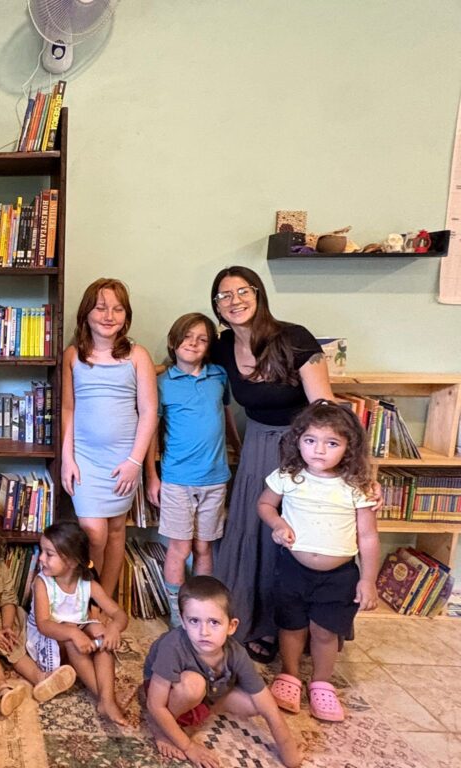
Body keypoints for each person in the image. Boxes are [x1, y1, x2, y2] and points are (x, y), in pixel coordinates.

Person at [207, 266, 334, 661]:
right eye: (224, 295)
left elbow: (324, 407)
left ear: (258, 294)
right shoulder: (223, 346)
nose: (235, 301)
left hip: (301, 448)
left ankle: (297, 628)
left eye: (243, 291)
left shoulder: (294, 338)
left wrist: (336, 466)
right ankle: (257, 623)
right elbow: (185, 357)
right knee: (255, 535)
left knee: (297, 535)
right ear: (217, 307)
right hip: (257, 448)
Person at [259, 401, 379, 722]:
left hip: (339, 576)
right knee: (291, 626)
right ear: (298, 440)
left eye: (332, 443)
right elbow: (265, 505)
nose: (319, 450)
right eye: (310, 440)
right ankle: (289, 675)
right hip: (292, 569)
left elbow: (368, 536)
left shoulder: (357, 486)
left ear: (349, 447)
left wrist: (368, 580)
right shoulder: (288, 476)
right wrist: (278, 524)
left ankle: (322, 684)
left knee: (325, 632)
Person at [60, 278, 157, 605]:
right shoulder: (73, 356)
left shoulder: (137, 355)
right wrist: (67, 459)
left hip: (123, 460)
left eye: (117, 309)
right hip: (85, 458)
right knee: (94, 533)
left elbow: (149, 412)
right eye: (101, 308)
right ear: (86, 313)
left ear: (126, 315)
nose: (109, 315)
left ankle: (106, 602)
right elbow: (67, 409)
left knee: (116, 531)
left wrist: (134, 462)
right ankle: (90, 599)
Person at [142, 576, 302, 768]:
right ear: (183, 622)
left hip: (211, 690)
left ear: (231, 626)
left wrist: (288, 749)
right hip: (165, 691)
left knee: (256, 704)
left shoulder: (236, 653)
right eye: (194, 621)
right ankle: (161, 728)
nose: (204, 632)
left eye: (214, 622)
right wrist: (188, 746)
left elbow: (268, 707)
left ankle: (199, 711)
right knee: (193, 686)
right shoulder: (173, 647)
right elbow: (155, 704)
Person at [146, 313, 240, 627]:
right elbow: (151, 431)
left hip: (215, 478)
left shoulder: (219, 376)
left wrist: (238, 448)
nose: (194, 344)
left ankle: (202, 611)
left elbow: (226, 415)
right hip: (177, 480)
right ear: (174, 341)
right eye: (187, 337)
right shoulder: (163, 383)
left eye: (202, 339)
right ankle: (178, 615)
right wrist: (152, 476)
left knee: (203, 547)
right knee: (180, 547)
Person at [0, 520, 76, 716]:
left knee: (14, 645)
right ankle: (3, 690)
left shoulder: (1, 569)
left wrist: (6, 627)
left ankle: (41, 679)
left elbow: (8, 600)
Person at [26, 520, 130, 726]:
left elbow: (119, 614)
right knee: (73, 636)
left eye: (49, 554)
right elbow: (43, 624)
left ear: (72, 561)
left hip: (77, 636)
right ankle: (107, 698)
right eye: (42, 551)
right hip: (49, 640)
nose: (41, 558)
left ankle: (106, 700)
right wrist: (74, 634)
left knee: (100, 631)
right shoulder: (42, 583)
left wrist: (113, 628)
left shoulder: (88, 584)